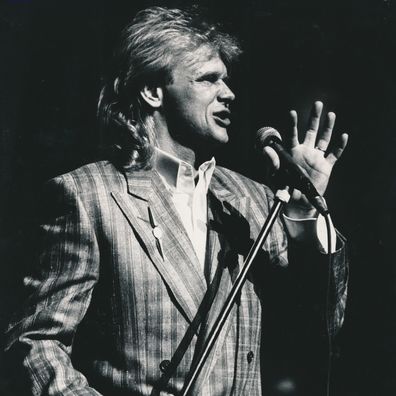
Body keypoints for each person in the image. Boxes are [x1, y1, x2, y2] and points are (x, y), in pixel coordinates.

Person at [4, 6, 349, 396]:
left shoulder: (252, 199)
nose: (229, 93)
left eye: (227, 80)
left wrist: (302, 210)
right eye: (208, 79)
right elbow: (35, 343)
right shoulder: (88, 195)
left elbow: (317, 326)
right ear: (153, 91)